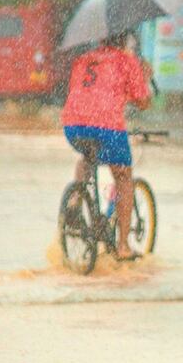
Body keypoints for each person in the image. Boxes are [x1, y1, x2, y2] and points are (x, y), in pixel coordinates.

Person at [61, 32, 152, 260]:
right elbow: (142, 101)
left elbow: (83, 91)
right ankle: (122, 247)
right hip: (107, 125)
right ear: (124, 40)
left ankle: (75, 199)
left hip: (74, 124)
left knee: (87, 157)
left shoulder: (84, 59)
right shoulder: (125, 60)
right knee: (123, 176)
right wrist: (145, 77)